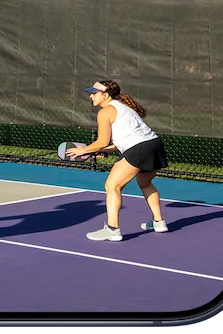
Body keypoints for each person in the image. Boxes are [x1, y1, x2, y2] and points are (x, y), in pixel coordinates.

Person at [66, 80, 169, 241]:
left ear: (105, 94)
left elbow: (101, 141)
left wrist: (83, 150)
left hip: (140, 149)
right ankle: (159, 222)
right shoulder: (124, 108)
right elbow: (122, 140)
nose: (91, 95)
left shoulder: (105, 112)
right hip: (154, 145)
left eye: (94, 92)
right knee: (145, 183)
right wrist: (102, 151)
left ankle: (113, 229)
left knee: (112, 186)